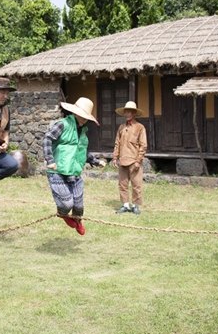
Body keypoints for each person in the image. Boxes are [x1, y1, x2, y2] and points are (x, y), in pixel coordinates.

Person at [43, 97, 106, 236]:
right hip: (57, 171)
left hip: (74, 172)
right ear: (76, 113)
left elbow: (81, 151)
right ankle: (63, 214)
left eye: (86, 117)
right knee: (66, 204)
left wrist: (95, 161)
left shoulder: (83, 131)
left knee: (78, 206)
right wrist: (50, 160)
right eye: (82, 116)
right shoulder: (62, 125)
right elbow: (47, 138)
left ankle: (77, 221)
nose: (84, 119)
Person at [112, 101, 148, 215]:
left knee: (136, 184)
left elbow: (143, 145)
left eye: (129, 112)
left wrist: (138, 161)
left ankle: (136, 206)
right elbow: (117, 143)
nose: (126, 114)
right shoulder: (121, 127)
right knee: (122, 184)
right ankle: (125, 205)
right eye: (125, 112)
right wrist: (114, 157)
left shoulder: (140, 128)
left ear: (134, 113)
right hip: (123, 160)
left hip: (134, 160)